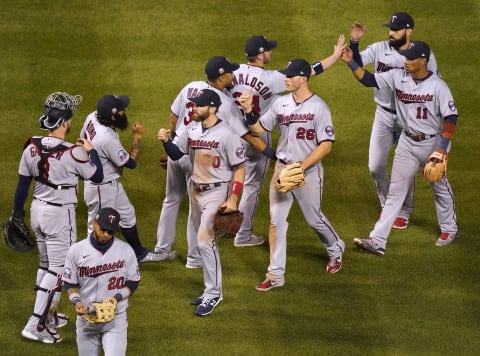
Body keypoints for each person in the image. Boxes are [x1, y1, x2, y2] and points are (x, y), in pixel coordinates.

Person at [227, 35, 346, 247]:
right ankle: (242, 235)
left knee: (226, 179)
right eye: (269, 50)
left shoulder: (231, 72)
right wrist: (335, 56)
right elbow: (309, 70)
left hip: (226, 133)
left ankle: (221, 225)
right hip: (255, 133)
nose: (271, 53)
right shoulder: (272, 78)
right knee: (251, 184)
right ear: (262, 55)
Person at [341, 40, 459, 254]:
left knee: (439, 186)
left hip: (432, 143)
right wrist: (351, 63)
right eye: (405, 57)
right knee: (395, 192)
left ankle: (450, 228)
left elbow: (451, 117)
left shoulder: (438, 86)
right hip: (406, 142)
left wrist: (442, 148)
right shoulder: (398, 76)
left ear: (423, 61)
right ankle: (377, 240)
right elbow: (368, 80)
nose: (406, 61)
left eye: (411, 58)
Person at [239, 59, 346, 291]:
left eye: (290, 76)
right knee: (276, 221)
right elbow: (258, 129)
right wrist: (248, 110)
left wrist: (302, 167)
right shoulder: (280, 104)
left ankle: (336, 247)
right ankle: (275, 275)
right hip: (281, 168)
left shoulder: (319, 107)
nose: (286, 79)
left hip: (308, 172)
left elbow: (326, 144)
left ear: (303, 78)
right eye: (285, 75)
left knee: (314, 218)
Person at [154, 56, 270, 268]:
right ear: (222, 77)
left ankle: (162, 249)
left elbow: (173, 116)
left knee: (171, 200)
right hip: (198, 158)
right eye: (230, 73)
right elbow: (248, 136)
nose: (233, 76)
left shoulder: (190, 87)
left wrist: (171, 142)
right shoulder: (223, 104)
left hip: (178, 147)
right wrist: (272, 154)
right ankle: (195, 257)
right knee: (195, 207)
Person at [16, 92, 103, 343]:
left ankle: (49, 314)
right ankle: (36, 323)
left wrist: (16, 214)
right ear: (65, 122)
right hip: (58, 216)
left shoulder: (31, 145)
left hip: (36, 212)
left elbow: (23, 184)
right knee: (59, 270)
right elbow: (96, 176)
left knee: (45, 265)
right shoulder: (74, 152)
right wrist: (92, 150)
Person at [157, 89, 246, 316]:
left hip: (217, 193)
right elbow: (178, 155)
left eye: (198, 105)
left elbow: (240, 168)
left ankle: (214, 293)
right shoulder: (192, 128)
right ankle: (209, 291)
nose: (193, 108)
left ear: (212, 108)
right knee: (202, 242)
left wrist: (234, 198)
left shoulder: (228, 134)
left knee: (206, 243)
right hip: (195, 190)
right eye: (193, 105)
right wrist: (166, 143)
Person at [348, 12, 441, 229]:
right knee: (375, 166)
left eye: (396, 29)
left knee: (406, 167)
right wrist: (354, 42)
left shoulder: (421, 53)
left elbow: (434, 83)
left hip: (409, 116)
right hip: (384, 114)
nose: (391, 33)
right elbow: (357, 61)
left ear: (409, 31)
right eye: (390, 29)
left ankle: (404, 211)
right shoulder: (380, 48)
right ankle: (388, 205)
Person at [80, 95, 170, 263]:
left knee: (127, 215)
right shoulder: (106, 138)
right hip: (100, 187)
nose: (124, 112)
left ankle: (139, 254)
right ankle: (89, 265)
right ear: (113, 116)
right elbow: (131, 163)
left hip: (108, 181)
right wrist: (137, 137)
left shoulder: (92, 117)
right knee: (97, 226)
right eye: (121, 110)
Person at [63, 207, 140, 356]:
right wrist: (76, 302)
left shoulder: (125, 250)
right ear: (94, 224)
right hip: (87, 319)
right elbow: (70, 283)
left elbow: (133, 281)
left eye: (110, 231)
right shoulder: (76, 251)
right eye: (103, 229)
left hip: (115, 320)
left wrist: (116, 298)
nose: (106, 234)